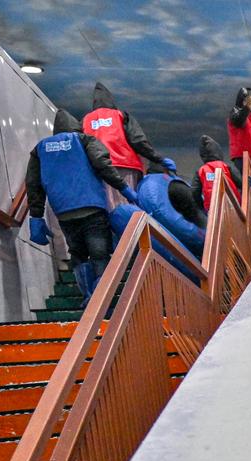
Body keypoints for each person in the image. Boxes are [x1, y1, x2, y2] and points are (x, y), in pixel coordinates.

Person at [25, 109, 139, 303]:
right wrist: (124, 188)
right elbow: (102, 165)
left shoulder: (40, 149)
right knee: (99, 253)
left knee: (78, 253)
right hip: (92, 209)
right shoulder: (84, 140)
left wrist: (36, 216)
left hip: (64, 213)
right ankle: (103, 299)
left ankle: (88, 296)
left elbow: (33, 184)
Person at [82, 82, 175, 210]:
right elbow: (138, 141)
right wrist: (158, 159)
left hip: (97, 172)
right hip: (126, 168)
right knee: (130, 211)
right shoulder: (121, 116)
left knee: (106, 212)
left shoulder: (85, 121)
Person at [192, 135, 243, 213]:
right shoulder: (226, 166)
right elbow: (240, 183)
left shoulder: (200, 171)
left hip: (212, 209)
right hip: (232, 205)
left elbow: (195, 192)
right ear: (218, 151)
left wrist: (201, 207)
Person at [228, 86, 251, 177]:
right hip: (242, 155)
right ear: (241, 100)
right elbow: (239, 122)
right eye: (246, 100)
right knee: (248, 181)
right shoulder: (235, 112)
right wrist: (246, 108)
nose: (250, 103)